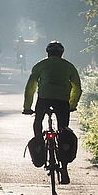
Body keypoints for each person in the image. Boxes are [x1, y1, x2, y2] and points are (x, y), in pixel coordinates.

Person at [22, 41, 81, 184]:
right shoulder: (69, 66)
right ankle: (64, 169)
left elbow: (30, 87)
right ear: (62, 53)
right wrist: (72, 105)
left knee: (38, 122)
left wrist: (27, 107)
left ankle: (39, 145)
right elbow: (77, 88)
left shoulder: (40, 65)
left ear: (47, 53)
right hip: (62, 101)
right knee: (63, 130)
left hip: (44, 99)